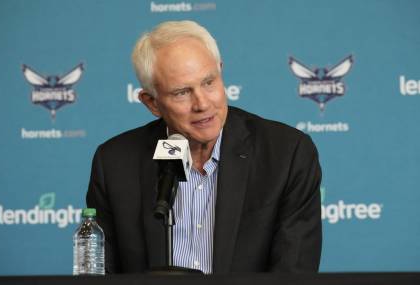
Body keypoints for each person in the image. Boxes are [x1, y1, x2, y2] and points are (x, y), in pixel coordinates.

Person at [86, 20, 322, 274]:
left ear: (221, 72)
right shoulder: (115, 164)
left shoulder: (286, 154)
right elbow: (101, 275)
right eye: (182, 92)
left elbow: (293, 274)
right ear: (152, 102)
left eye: (209, 82)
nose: (202, 104)